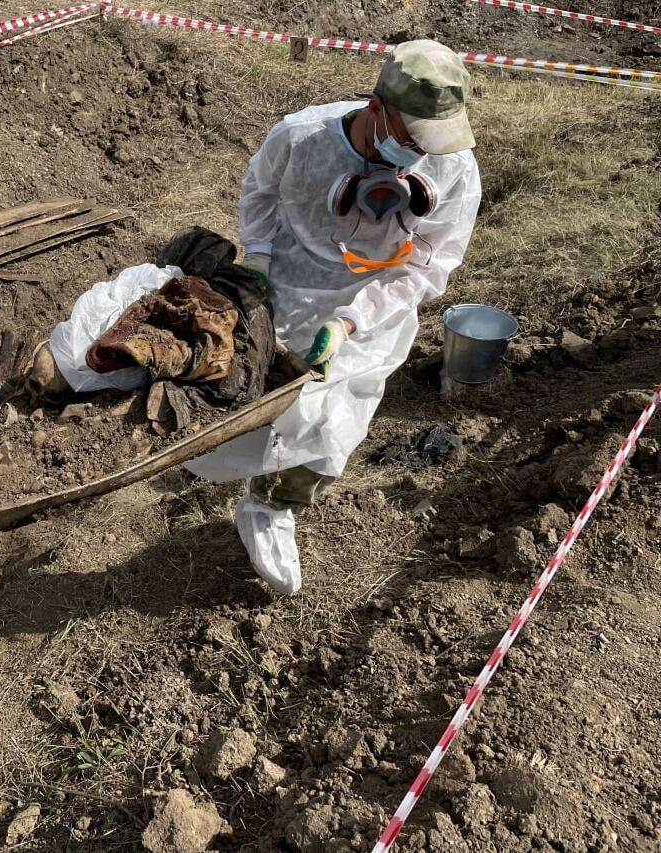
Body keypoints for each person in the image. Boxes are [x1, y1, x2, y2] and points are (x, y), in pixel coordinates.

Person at [185, 40, 483, 594]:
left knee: (333, 425)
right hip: (288, 289)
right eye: (412, 135)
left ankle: (271, 506)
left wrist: (349, 322)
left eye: (434, 138)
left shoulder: (454, 171)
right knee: (247, 400)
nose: (423, 151)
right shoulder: (300, 138)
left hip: (374, 305)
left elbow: (429, 265)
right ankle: (213, 459)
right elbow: (260, 192)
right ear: (376, 111)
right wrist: (258, 261)